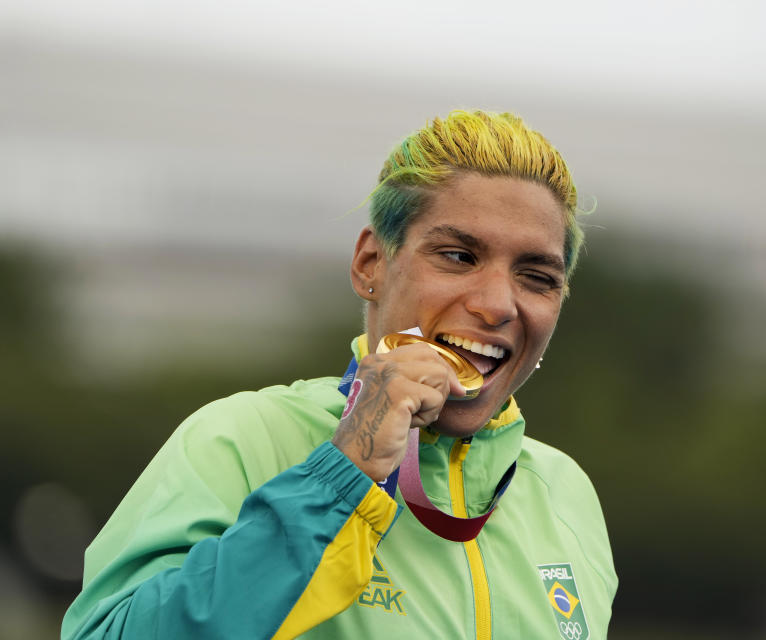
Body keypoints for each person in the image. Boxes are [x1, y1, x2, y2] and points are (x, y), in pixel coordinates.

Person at [62, 110, 617, 639]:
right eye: (457, 256)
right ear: (371, 264)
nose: (498, 304)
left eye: (536, 276)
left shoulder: (565, 494)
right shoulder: (241, 439)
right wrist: (345, 470)